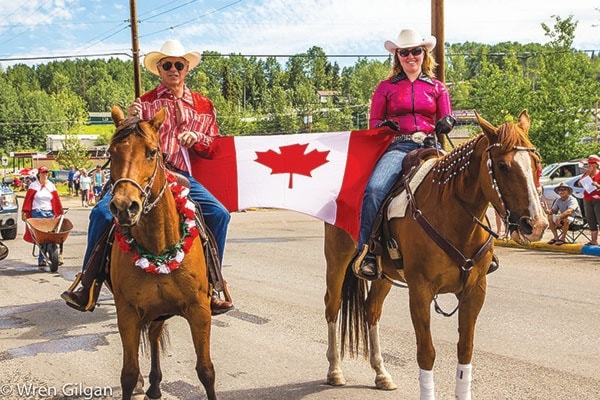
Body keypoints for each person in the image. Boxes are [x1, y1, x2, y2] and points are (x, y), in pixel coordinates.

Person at [61, 39, 233, 314]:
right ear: (159, 70)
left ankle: (212, 284)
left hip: (181, 175)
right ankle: (88, 284)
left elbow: (215, 143)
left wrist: (197, 137)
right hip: (140, 174)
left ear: (186, 68)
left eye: (178, 64)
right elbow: (127, 138)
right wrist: (130, 120)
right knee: (102, 215)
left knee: (220, 214)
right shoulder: (145, 102)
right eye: (167, 65)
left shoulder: (204, 104)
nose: (173, 69)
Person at [352, 29, 455, 280]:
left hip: (431, 146)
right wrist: (386, 126)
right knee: (375, 189)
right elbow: (374, 121)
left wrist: (447, 123)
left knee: (464, 182)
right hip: (398, 146)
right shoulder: (385, 87)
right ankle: (367, 250)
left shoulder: (437, 87)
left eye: (415, 51)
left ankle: (479, 249)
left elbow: (447, 116)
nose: (411, 56)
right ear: (397, 57)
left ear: (424, 54)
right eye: (404, 52)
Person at [21, 166, 64, 268]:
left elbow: (56, 200)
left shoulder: (51, 186)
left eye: (46, 173)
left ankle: (52, 254)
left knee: (50, 236)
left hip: (50, 213)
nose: (45, 175)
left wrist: (59, 212)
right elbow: (28, 200)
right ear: (39, 174)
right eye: (43, 173)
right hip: (37, 213)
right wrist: (25, 212)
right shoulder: (33, 186)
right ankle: (42, 259)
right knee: (41, 237)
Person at [576, 155, 600, 245]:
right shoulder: (586, 174)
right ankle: (594, 240)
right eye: (588, 164)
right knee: (591, 220)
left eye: (591, 163)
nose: (589, 165)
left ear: (596, 164)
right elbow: (579, 183)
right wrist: (587, 173)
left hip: (598, 199)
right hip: (587, 198)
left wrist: (597, 185)